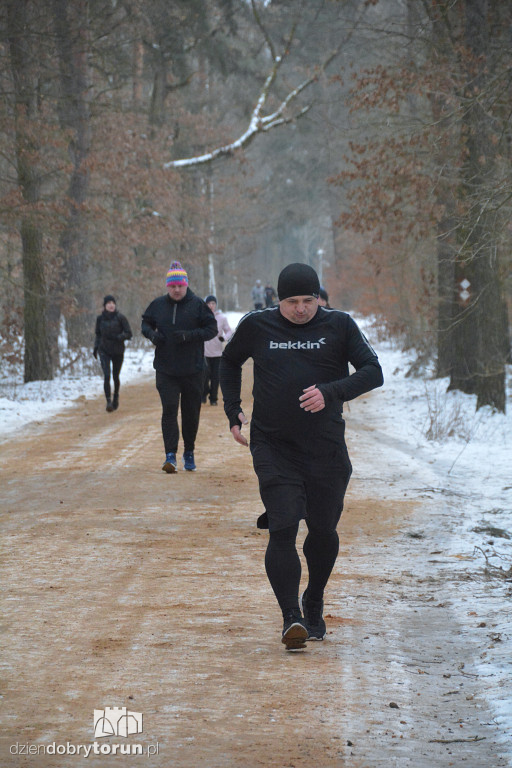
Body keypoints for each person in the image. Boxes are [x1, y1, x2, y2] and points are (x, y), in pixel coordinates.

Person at [220, 263, 383, 650]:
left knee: (323, 531)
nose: (300, 309)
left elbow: (373, 371)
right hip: (273, 445)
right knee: (283, 525)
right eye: (292, 302)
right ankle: (291, 617)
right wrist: (233, 410)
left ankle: (314, 599)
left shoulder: (339, 325)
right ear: (279, 300)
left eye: (308, 301)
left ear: (318, 298)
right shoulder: (257, 325)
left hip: (325, 448)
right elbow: (229, 361)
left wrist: (331, 392)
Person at [141, 261, 217, 473]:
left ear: (186, 285)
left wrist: (190, 336)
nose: (176, 290)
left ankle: (189, 451)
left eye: (180, 286)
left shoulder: (198, 305)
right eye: (172, 286)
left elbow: (212, 329)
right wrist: (152, 335)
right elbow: (145, 324)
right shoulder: (157, 305)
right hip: (166, 369)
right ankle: (170, 455)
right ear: (167, 286)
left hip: (193, 369)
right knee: (169, 410)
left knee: (191, 413)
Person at [93, 295, 132, 412]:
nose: (111, 305)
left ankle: (116, 397)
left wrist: (119, 337)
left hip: (118, 351)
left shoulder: (121, 318)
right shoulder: (100, 319)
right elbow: (98, 334)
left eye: (113, 303)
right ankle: (108, 401)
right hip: (104, 350)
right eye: (108, 303)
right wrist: (95, 348)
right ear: (104, 306)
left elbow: (129, 333)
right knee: (106, 375)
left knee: (115, 376)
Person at [203, 295, 233, 406]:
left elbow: (229, 331)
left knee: (216, 377)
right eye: (209, 303)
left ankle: (213, 398)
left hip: (217, 352)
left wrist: (224, 338)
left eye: (213, 303)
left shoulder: (222, 318)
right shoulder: (201, 317)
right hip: (204, 352)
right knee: (204, 376)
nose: (211, 306)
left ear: (216, 305)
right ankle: (203, 394)